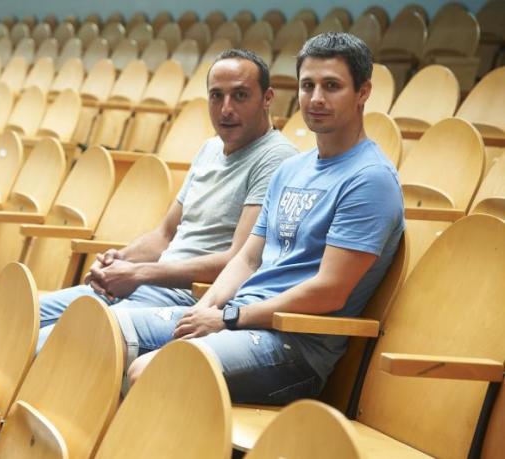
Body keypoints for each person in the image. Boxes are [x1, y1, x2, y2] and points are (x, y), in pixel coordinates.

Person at [116, 32, 405, 405]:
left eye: (332, 86)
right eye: (308, 85)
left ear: (363, 92)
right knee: (101, 329)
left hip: (293, 349)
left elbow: (330, 290)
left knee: (151, 371)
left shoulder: (370, 179)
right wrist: (205, 310)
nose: (316, 98)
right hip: (239, 320)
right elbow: (248, 258)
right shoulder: (291, 170)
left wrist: (229, 317)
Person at [35, 49, 298, 351]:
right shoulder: (209, 149)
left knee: (52, 342)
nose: (226, 109)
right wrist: (119, 261)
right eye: (216, 96)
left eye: (240, 95)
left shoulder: (276, 158)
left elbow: (237, 260)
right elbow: (164, 235)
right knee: (21, 315)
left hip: (189, 299)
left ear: (267, 98)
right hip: (148, 285)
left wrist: (138, 273)